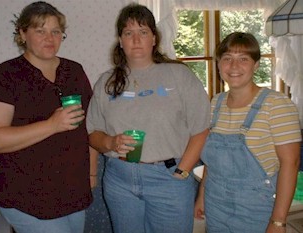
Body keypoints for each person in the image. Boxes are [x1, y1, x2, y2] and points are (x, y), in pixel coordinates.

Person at [86, 3, 210, 233]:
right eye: (128, 33)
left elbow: (201, 128)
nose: (136, 39)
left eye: (143, 32)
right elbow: (93, 133)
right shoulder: (107, 81)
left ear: (154, 38)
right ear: (120, 41)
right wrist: (111, 143)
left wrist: (182, 172)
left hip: (168, 178)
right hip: (119, 179)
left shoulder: (179, 75)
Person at [0, 2, 97, 233]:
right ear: (22, 34)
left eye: (55, 31)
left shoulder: (75, 71)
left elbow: (89, 127)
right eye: (40, 30)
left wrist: (91, 173)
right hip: (25, 195)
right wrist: (51, 125)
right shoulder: (4, 76)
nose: (49, 38)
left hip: (73, 190)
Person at [194, 32, 302, 233]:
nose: (234, 67)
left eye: (243, 59)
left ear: (256, 65)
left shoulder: (277, 105)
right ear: (218, 64)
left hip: (257, 209)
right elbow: (214, 161)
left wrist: (278, 221)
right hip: (215, 203)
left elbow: (291, 164)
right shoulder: (215, 103)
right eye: (227, 59)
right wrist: (201, 195)